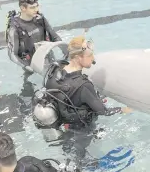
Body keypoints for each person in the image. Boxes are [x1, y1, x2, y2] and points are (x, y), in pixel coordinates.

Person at [32, 36, 132, 164]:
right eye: (90, 55)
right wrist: (123, 109)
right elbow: (103, 111)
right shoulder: (84, 85)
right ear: (79, 58)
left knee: (71, 155)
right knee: (82, 159)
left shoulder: (54, 72)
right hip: (82, 131)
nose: (93, 58)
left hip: (63, 126)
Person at [5, 0, 63, 73]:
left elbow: (55, 37)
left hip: (47, 57)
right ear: (23, 8)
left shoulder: (40, 19)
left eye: (37, 6)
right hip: (29, 64)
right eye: (32, 7)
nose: (36, 9)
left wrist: (66, 50)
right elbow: (12, 54)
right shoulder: (15, 28)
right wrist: (26, 66)